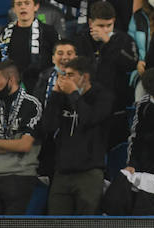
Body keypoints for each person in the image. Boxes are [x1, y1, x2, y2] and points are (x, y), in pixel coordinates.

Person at [42, 56, 113, 214]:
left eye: (70, 75)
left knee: (86, 221)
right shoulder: (63, 97)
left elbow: (89, 119)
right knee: (56, 220)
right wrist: (55, 95)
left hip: (89, 172)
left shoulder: (103, 96)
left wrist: (74, 93)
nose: (66, 79)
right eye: (64, 75)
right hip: (62, 171)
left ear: (85, 76)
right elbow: (47, 126)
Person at [0, 60, 44, 216]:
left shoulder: (31, 105)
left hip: (20, 177)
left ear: (11, 79)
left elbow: (25, 146)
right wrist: (14, 145)